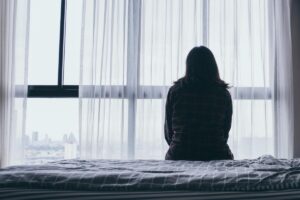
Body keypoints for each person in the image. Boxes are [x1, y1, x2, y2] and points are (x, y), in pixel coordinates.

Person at [164, 46, 234, 161]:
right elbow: (225, 130)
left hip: (179, 154)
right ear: (213, 67)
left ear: (188, 66)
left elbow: (169, 132)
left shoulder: (175, 91)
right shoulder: (223, 94)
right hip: (217, 155)